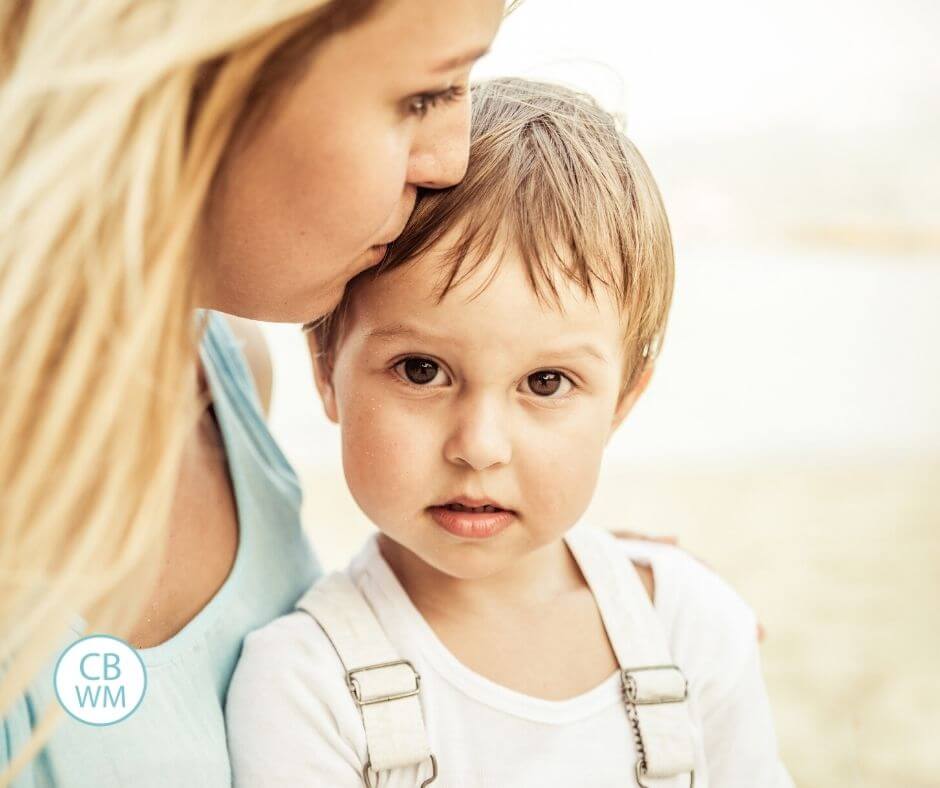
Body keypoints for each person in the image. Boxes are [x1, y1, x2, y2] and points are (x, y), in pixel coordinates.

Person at [224, 78, 793, 786]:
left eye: (546, 383)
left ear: (621, 401)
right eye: (423, 370)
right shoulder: (303, 683)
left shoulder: (692, 626)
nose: (480, 445)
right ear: (324, 369)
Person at [0, 1, 506, 785]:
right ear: (205, 70)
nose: (450, 161)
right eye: (426, 95)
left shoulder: (230, 376)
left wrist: (572, 591)